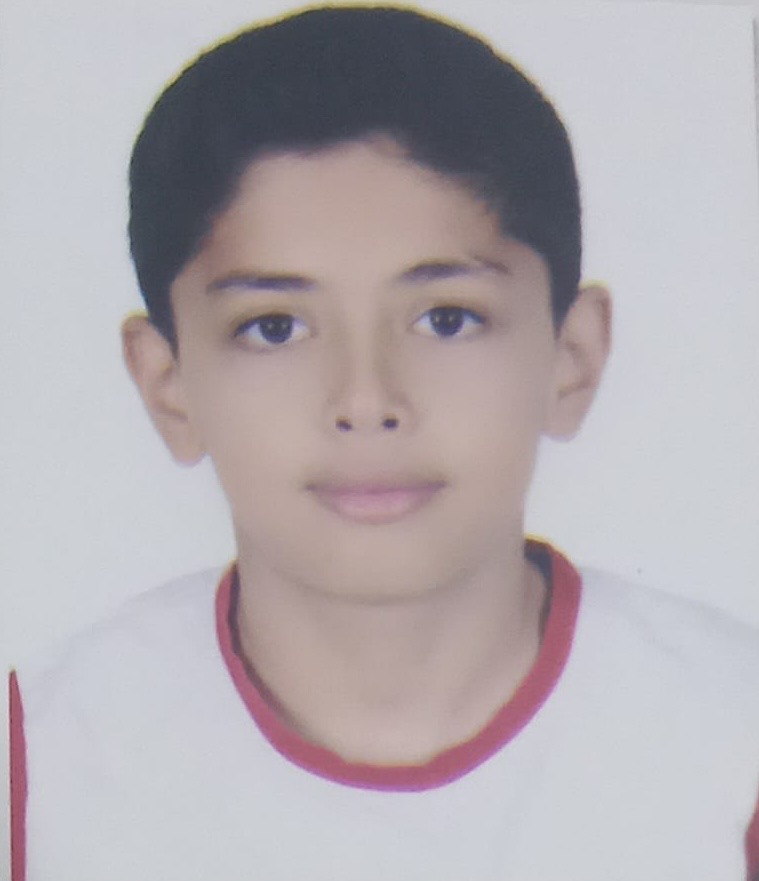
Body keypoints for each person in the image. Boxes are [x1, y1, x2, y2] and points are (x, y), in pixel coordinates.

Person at [9, 6, 759, 879]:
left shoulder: (728, 744)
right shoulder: (44, 768)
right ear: (166, 384)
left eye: (446, 318)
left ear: (572, 356)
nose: (366, 401)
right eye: (274, 327)